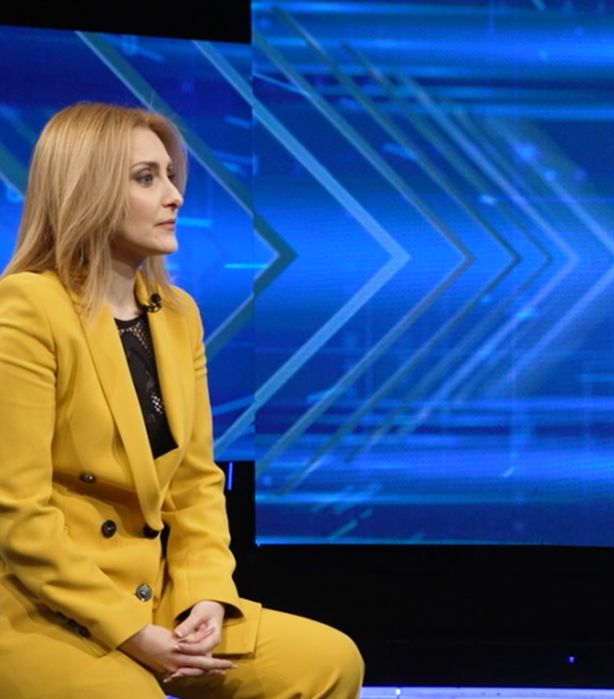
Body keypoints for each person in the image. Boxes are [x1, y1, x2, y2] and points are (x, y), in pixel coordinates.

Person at [0, 102, 364, 697]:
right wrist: (129, 632)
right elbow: (18, 514)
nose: (174, 196)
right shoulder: (26, 307)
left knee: (328, 662)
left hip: (156, 597)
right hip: (44, 609)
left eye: (170, 176)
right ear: (86, 189)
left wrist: (205, 597)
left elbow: (195, 484)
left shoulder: (176, 314)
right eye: (146, 178)